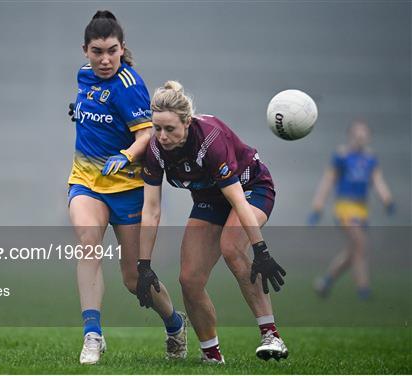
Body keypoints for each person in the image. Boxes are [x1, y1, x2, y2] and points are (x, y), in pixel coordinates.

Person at [136, 80, 289, 363]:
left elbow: (238, 201)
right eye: (157, 128)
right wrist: (143, 265)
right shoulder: (156, 150)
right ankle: (211, 356)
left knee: (231, 247)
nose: (163, 136)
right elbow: (152, 210)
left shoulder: (210, 139)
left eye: (170, 129)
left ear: (187, 122)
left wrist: (261, 250)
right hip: (211, 201)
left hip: (250, 190)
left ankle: (271, 335)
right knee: (189, 279)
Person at [67, 11, 186, 365]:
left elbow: (147, 133)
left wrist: (126, 154)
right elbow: (95, 113)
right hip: (87, 181)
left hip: (128, 186)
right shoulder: (84, 75)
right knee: (88, 243)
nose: (105, 59)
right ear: (85, 50)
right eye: (97, 51)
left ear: (122, 49)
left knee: (134, 278)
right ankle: (93, 335)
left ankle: (175, 325)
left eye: (112, 51)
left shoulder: (129, 84)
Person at [308, 120, 394, 300]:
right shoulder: (341, 156)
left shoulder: (371, 158)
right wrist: (318, 206)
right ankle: (363, 289)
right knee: (361, 244)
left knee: (353, 250)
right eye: (357, 133)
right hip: (344, 207)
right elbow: (328, 180)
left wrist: (387, 199)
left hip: (362, 208)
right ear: (350, 136)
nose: (361, 136)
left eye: (364, 133)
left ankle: (326, 282)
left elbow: (377, 181)